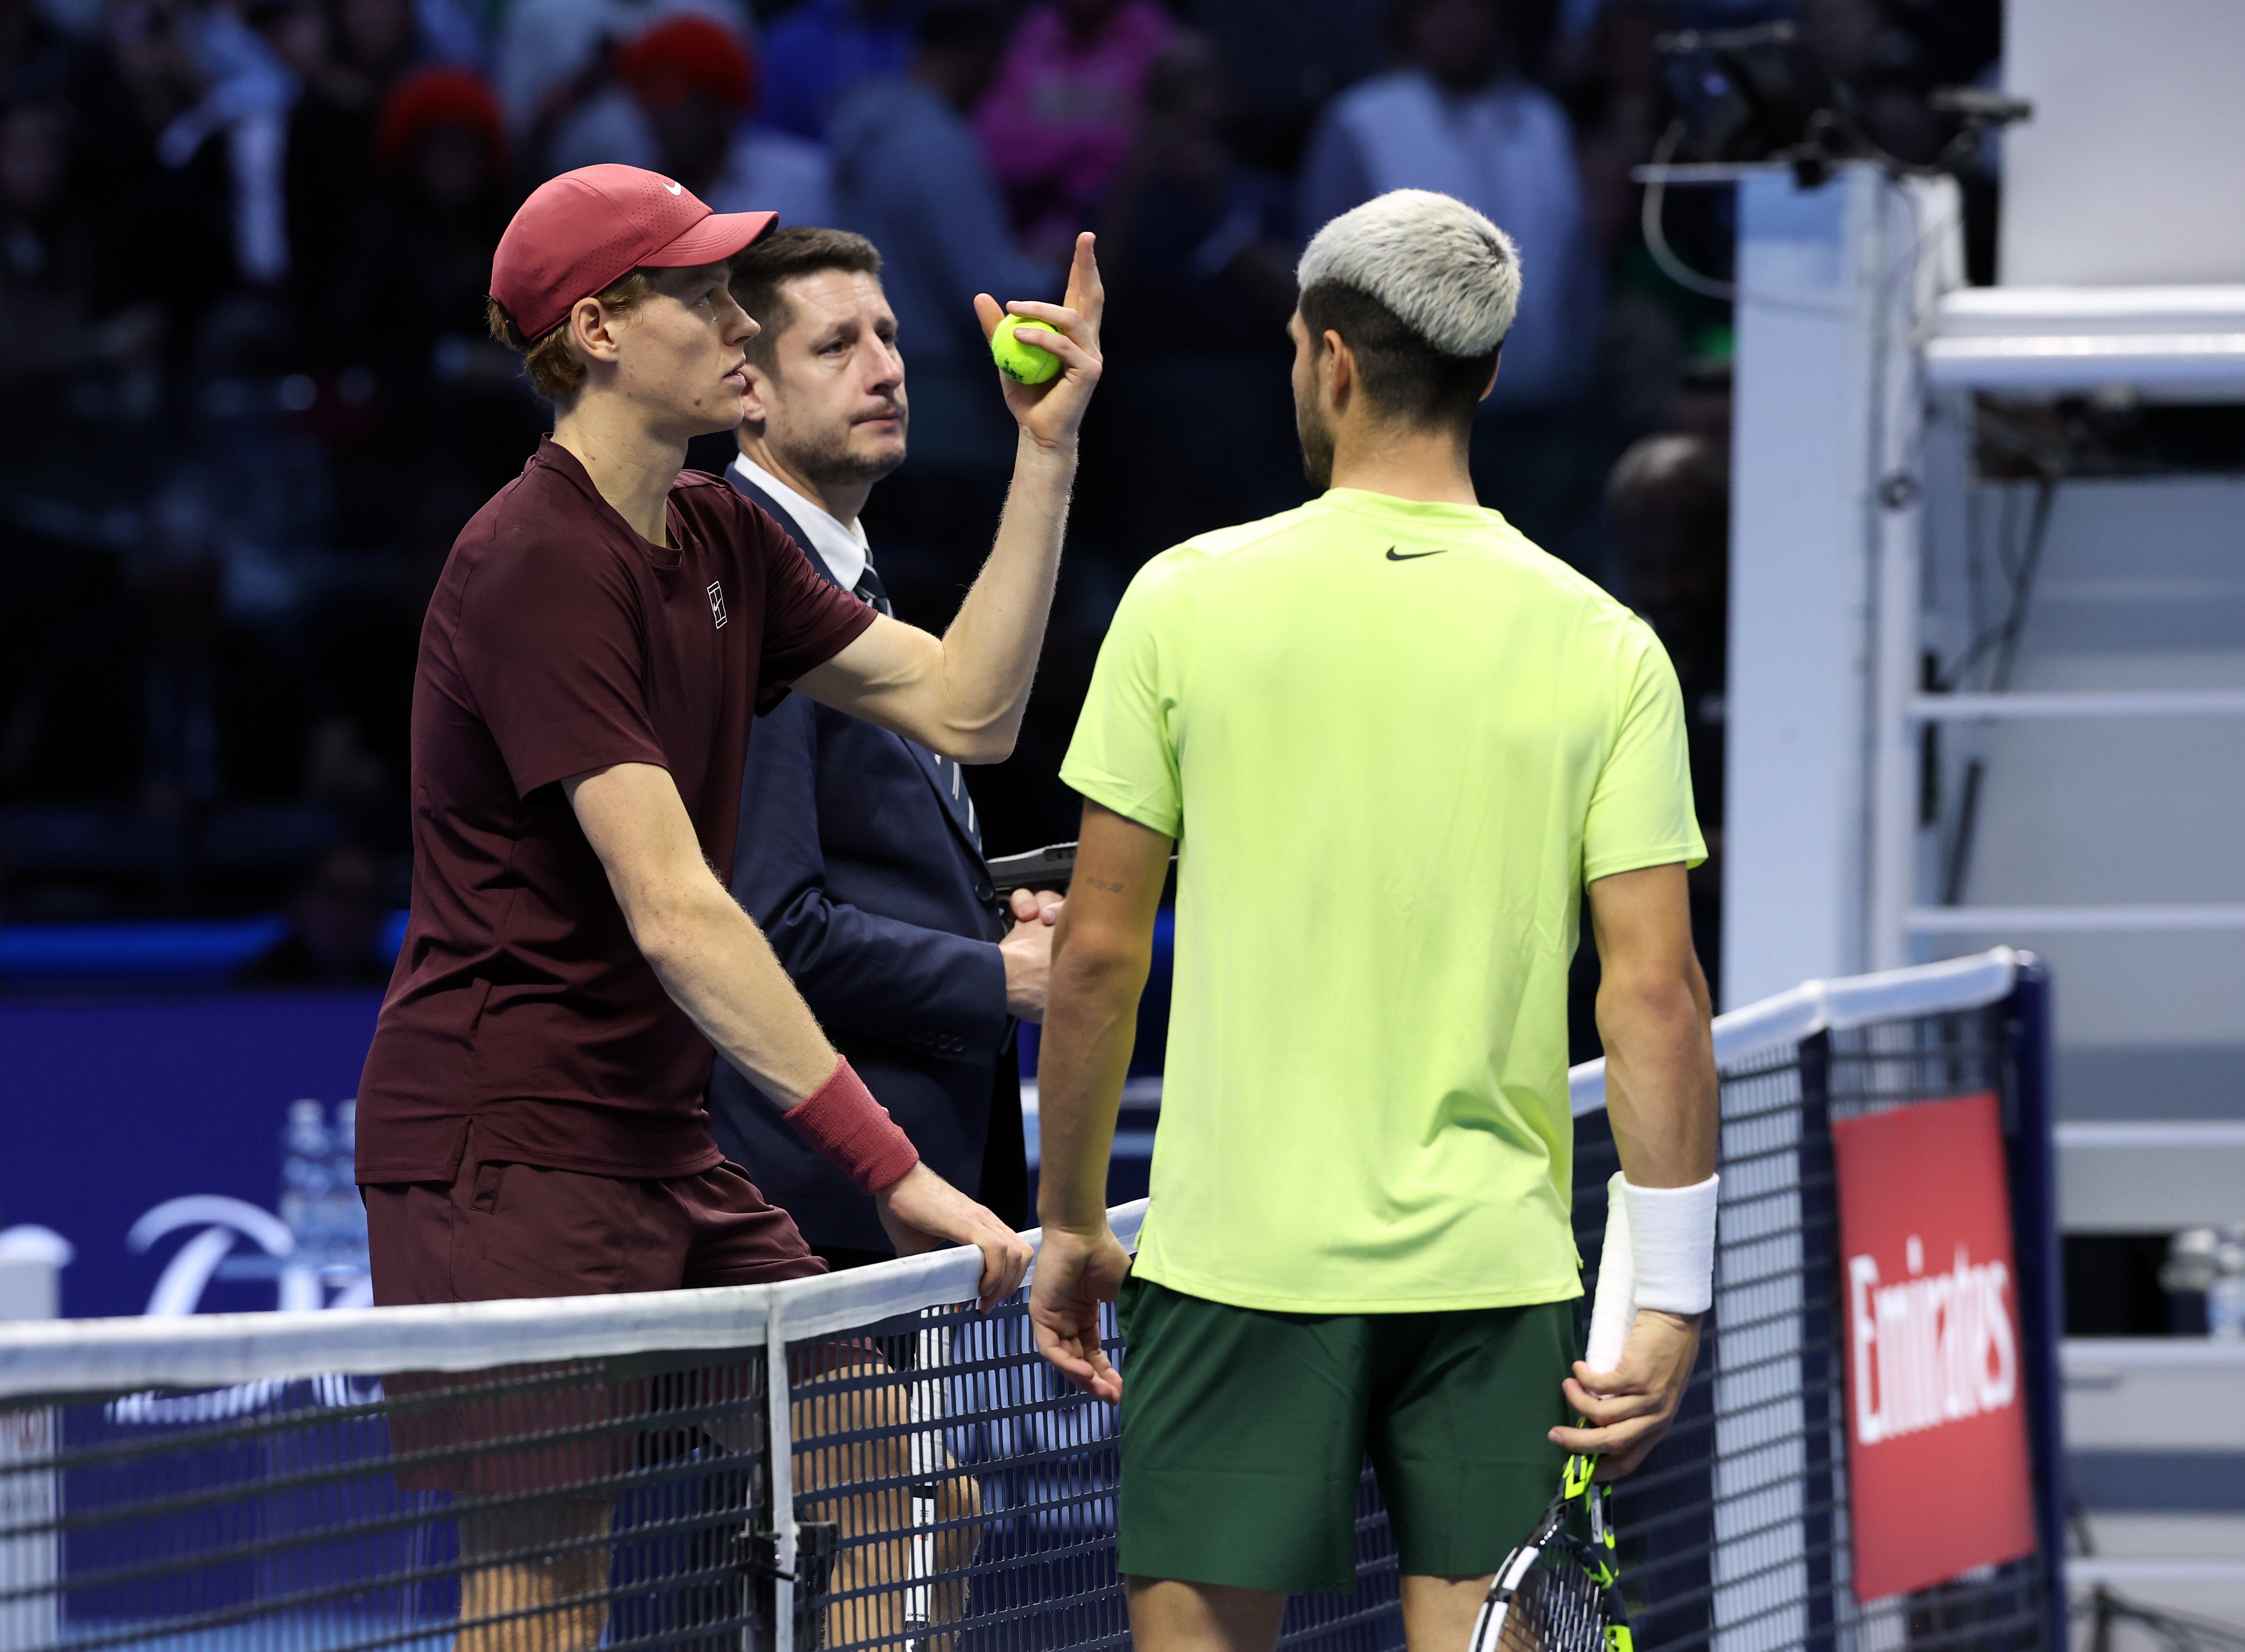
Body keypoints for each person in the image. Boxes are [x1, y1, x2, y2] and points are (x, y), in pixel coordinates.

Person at [353, 162, 1104, 1641]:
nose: (736, 318)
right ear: (598, 333)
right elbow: (681, 911)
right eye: (699, 291)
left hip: (659, 1142)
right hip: (505, 1151)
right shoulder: (533, 563)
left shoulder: (722, 540)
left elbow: (970, 708)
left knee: (899, 1485)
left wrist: (1049, 458)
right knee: (547, 1579)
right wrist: (890, 1169)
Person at [1027, 189, 1720, 1650]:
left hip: (1234, 1269)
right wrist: (1670, 1296)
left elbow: (1094, 955)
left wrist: (1075, 1220)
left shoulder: (1184, 602)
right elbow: (1653, 999)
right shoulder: (1606, 646)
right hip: (1494, 1280)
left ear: (1331, 361)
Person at [704, 224, 1063, 1267]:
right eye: (836, 346)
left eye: (890, 335)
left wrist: (987, 917)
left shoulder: (842, 576)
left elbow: (862, 867)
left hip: (910, 1195)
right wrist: (1000, 978)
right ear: (747, 390)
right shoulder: (746, 579)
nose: (886, 369)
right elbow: (768, 926)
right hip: (825, 1216)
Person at [1296, 0, 1599, 552]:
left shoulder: (1543, 121)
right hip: (1411, 425)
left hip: (1541, 415)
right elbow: (1326, 283)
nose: (1457, 21)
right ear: (1409, 19)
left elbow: (1576, 265)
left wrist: (1576, 378)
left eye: (1473, 7)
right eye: (1437, 9)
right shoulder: (1361, 121)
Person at [829, 1, 1055, 480]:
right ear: (976, 55)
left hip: (862, 384)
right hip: (944, 407)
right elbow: (984, 292)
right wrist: (1053, 264)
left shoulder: (860, 128)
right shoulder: (939, 145)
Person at [969, 0, 1173, 259]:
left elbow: (1138, 149)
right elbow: (992, 142)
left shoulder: (1152, 33)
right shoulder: (1038, 28)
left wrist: (1042, 140)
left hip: (1124, 236)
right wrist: (1085, 144)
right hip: (1020, 231)